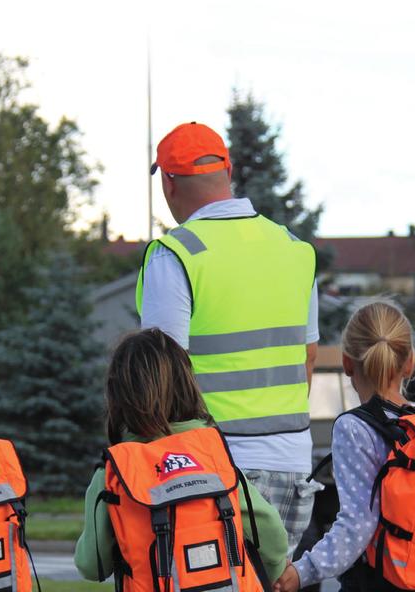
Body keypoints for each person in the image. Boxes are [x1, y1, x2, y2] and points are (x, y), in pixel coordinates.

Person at [139, 122, 321, 555]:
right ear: (229, 170)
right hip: (294, 465)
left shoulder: (177, 253)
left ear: (168, 181)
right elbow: (308, 358)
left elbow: (159, 376)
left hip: (213, 468)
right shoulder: (293, 248)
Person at [75, 328, 290, 586]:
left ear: (118, 396)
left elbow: (92, 565)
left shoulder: (113, 473)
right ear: (187, 384)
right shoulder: (212, 453)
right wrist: (274, 570)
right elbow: (271, 532)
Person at [274, 301, 415, 592]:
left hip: (380, 579)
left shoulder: (354, 428)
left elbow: (357, 524)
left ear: (346, 363)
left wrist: (302, 573)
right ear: (410, 364)